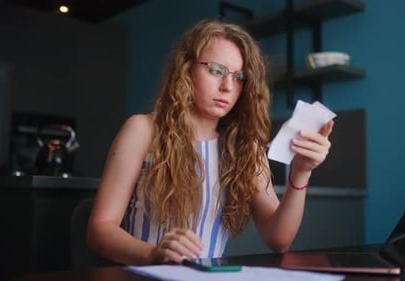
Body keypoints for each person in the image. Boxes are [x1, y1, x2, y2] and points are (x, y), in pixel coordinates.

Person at [87, 18, 334, 266]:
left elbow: (278, 239)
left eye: (239, 78)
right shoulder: (142, 130)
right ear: (186, 69)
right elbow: (99, 230)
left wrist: (301, 172)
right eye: (216, 70)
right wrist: (152, 254)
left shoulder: (245, 147)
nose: (228, 86)